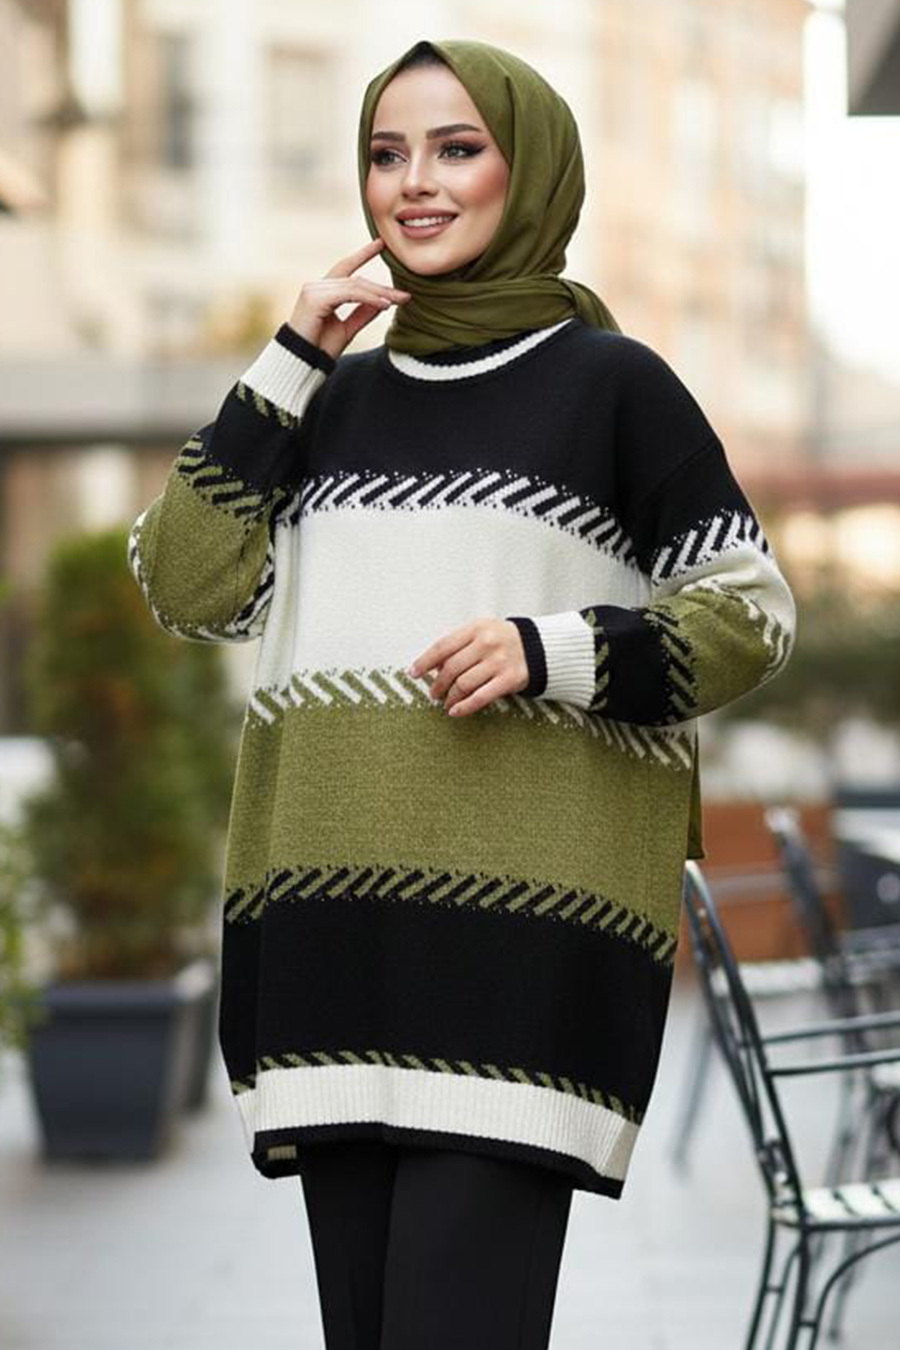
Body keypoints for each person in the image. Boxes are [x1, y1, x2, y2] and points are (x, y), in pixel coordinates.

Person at [127, 36, 797, 1350]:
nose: (414, 183)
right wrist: (287, 360)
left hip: (517, 958)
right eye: (387, 154)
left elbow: (751, 615)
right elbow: (187, 584)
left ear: (527, 169)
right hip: (329, 947)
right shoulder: (324, 405)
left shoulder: (614, 390)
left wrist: (556, 650)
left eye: (456, 148)